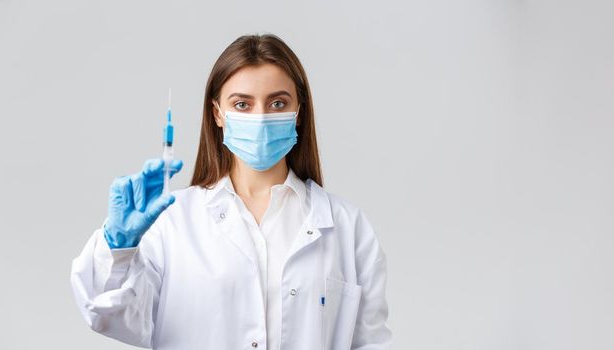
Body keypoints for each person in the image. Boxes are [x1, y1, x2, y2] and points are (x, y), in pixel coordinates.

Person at [70, 33, 391, 349]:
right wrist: (119, 246)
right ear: (217, 113)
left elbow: (370, 342)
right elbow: (111, 315)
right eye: (242, 104)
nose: (262, 117)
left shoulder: (348, 227)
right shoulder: (171, 221)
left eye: (278, 102)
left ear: (299, 113)